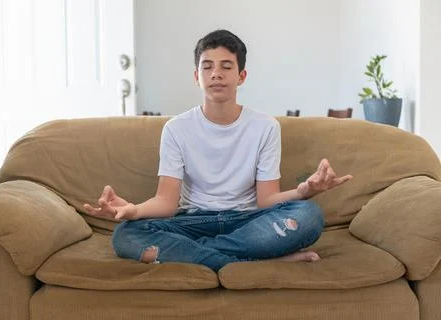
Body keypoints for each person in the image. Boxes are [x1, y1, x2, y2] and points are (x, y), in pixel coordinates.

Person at [84, 29, 353, 272]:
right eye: (207, 67)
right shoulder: (176, 129)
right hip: (192, 220)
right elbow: (166, 203)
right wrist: (133, 210)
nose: (216, 74)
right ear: (196, 76)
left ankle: (196, 254)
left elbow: (267, 200)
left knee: (309, 216)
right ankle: (256, 259)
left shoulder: (265, 127)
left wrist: (307, 191)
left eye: (226, 66)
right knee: (125, 235)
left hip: (247, 221)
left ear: (241, 76)